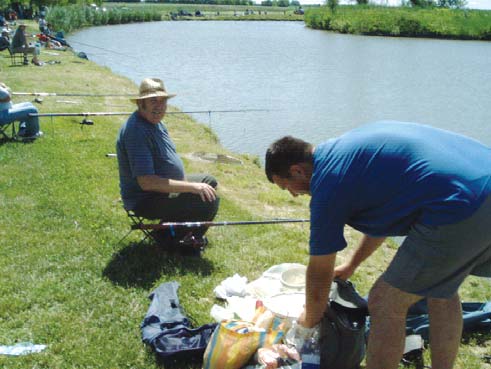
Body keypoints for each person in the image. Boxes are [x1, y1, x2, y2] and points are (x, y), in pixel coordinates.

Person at [265, 120, 491, 369]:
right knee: (440, 288)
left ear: (297, 170)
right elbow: (384, 221)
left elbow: (319, 273)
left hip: (461, 202)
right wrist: (351, 266)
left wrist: (307, 321)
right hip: (480, 181)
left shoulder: (328, 183)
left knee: (385, 302)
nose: (293, 194)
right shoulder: (347, 152)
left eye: (287, 187)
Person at [116, 78, 220, 249]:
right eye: (153, 101)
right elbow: (147, 183)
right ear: (141, 103)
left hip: (161, 190)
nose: (159, 106)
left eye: (163, 101)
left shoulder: (156, 123)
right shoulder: (136, 132)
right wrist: (192, 188)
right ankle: (175, 241)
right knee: (209, 199)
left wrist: (191, 185)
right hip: (145, 199)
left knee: (208, 182)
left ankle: (172, 233)